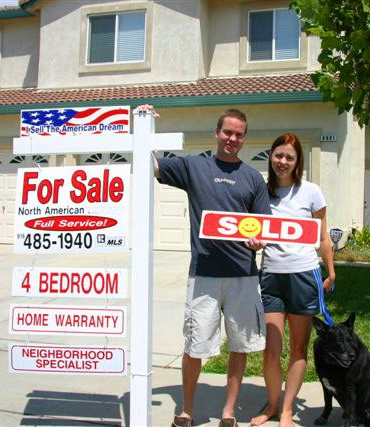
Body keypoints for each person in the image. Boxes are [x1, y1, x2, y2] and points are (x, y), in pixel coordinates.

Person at [143, 105, 271, 427]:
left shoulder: (253, 178)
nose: (232, 139)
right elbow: (150, 165)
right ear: (217, 133)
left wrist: (259, 241)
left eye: (239, 135)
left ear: (244, 139)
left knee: (239, 346)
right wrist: (143, 124)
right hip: (204, 273)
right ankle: (186, 409)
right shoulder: (194, 167)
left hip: (243, 275)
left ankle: (228, 411)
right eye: (227, 132)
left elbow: (263, 226)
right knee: (194, 345)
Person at [250, 133, 336, 427]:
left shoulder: (311, 192)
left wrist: (331, 270)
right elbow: (252, 230)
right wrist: (254, 242)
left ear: (298, 161)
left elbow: (323, 235)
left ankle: (287, 409)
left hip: (304, 275)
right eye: (278, 155)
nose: (282, 162)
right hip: (272, 276)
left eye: (289, 157)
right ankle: (272, 405)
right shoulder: (260, 192)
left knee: (298, 349)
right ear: (270, 156)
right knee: (271, 350)